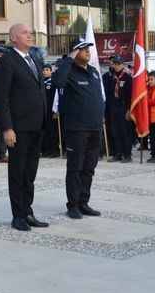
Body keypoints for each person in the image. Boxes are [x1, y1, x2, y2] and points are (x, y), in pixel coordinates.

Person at [0, 23, 48, 231]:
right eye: (25, 33)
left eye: (30, 32)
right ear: (13, 37)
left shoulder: (34, 60)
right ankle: (18, 215)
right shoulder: (8, 62)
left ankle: (28, 210)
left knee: (30, 173)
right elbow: (2, 98)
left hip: (37, 126)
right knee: (17, 172)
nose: (30, 35)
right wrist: (7, 127)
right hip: (18, 127)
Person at [52, 37, 105, 219]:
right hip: (77, 128)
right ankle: (72, 204)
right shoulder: (68, 71)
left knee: (89, 167)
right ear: (74, 52)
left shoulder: (93, 72)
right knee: (75, 168)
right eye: (82, 49)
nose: (87, 51)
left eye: (88, 48)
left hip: (95, 127)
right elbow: (57, 82)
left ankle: (83, 202)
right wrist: (68, 60)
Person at [103, 55, 133, 163]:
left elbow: (131, 95)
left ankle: (127, 154)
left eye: (118, 64)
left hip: (124, 108)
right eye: (114, 64)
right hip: (113, 107)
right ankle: (117, 153)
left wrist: (129, 110)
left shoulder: (127, 78)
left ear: (123, 65)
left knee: (125, 132)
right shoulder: (112, 77)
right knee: (115, 132)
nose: (116, 66)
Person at [41, 63, 60, 158]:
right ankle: (46, 149)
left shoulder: (53, 82)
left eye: (47, 70)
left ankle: (55, 149)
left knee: (53, 131)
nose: (45, 72)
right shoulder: (40, 82)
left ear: (51, 71)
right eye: (43, 70)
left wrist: (55, 110)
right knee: (45, 131)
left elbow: (56, 97)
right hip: (43, 111)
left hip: (51, 110)